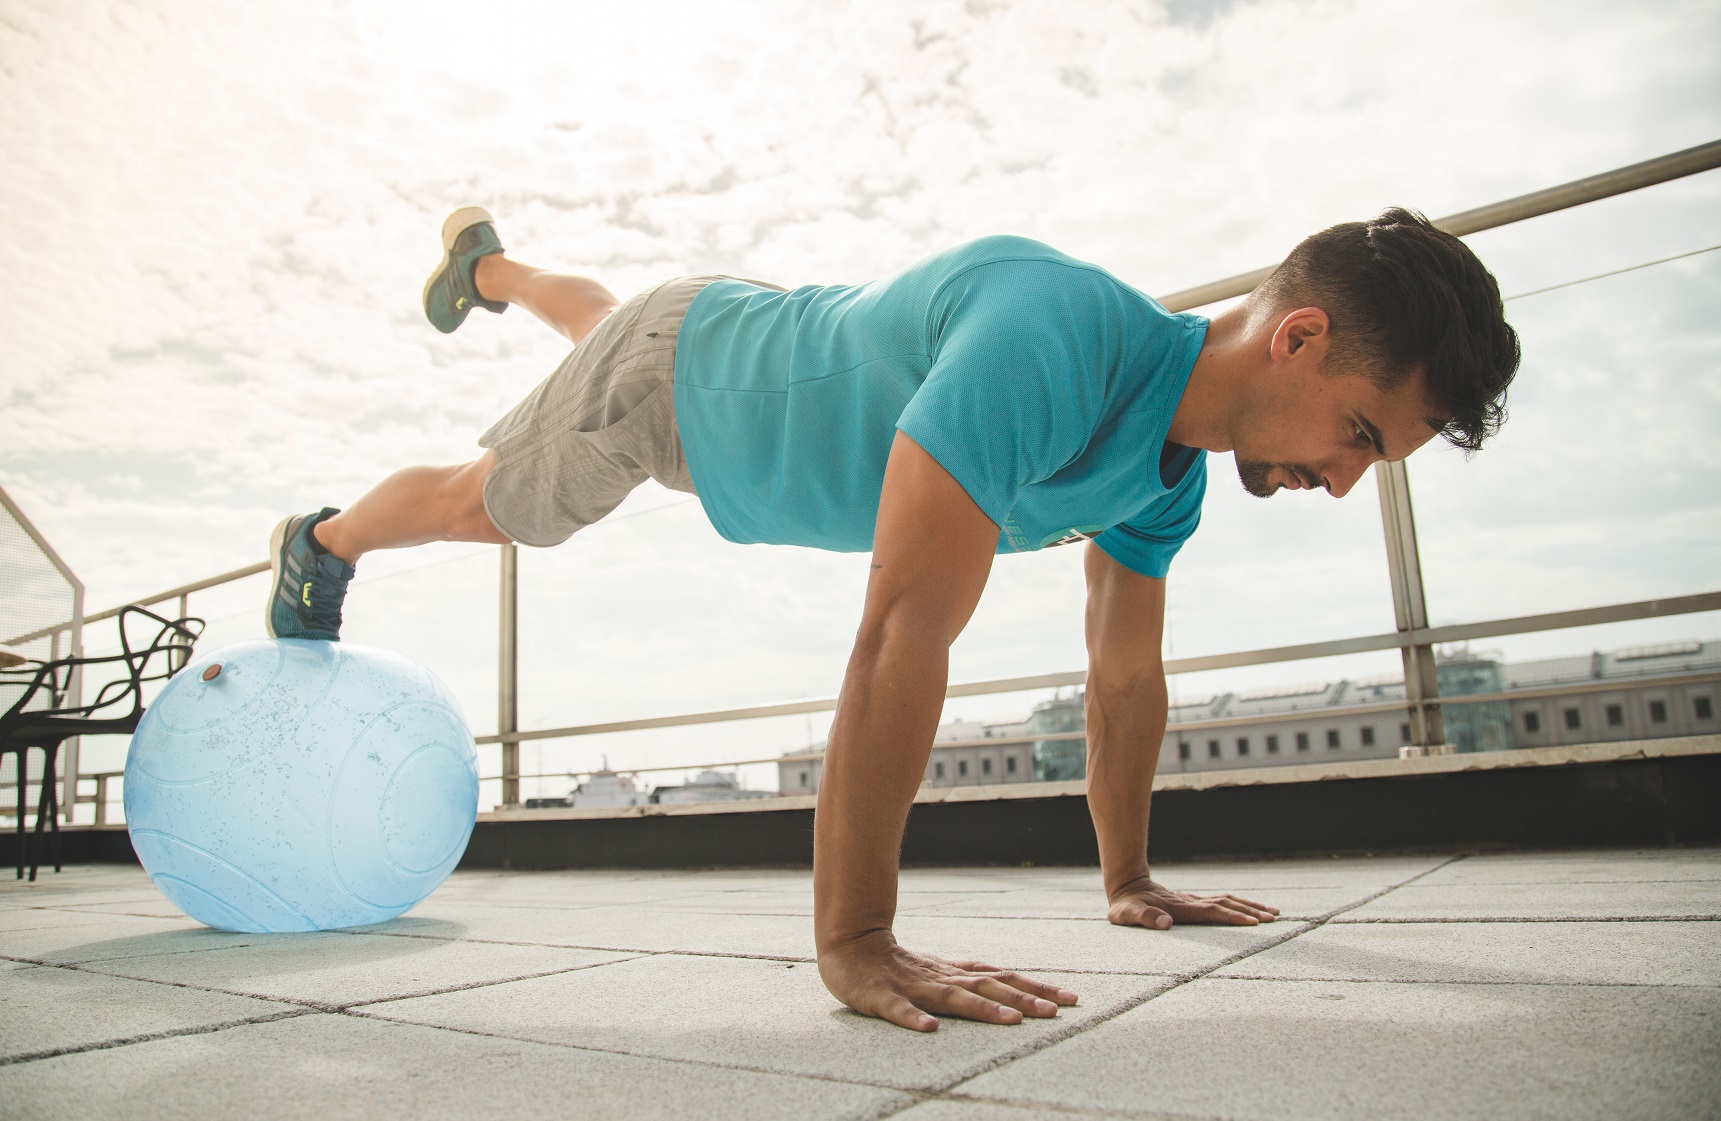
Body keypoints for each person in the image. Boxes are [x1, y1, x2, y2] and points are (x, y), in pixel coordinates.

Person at [266, 205, 1520, 1032]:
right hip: (679, 385)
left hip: (727, 345)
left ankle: (484, 263)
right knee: (490, 507)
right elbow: (902, 630)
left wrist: (1129, 877)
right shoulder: (1050, 335)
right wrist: (857, 937)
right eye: (1358, 434)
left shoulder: (1163, 481)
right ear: (1296, 337)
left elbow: (1122, 680)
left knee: (605, 314)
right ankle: (321, 540)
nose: (1344, 481)